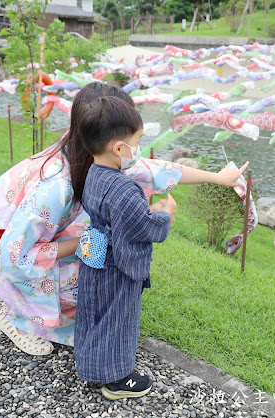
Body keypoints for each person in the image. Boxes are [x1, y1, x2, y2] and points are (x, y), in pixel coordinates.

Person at [0, 81, 248, 356]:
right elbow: (14, 255)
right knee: (98, 263)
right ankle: (20, 318)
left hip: (34, 239)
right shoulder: (55, 184)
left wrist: (218, 177)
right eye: (132, 138)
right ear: (113, 139)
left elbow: (154, 169)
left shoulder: (95, 149)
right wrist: (85, 242)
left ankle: (61, 307)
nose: (134, 148)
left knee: (102, 255)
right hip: (0, 257)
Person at [73, 96, 177, 400]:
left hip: (95, 253)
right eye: (138, 142)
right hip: (116, 264)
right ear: (119, 148)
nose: (138, 148)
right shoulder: (122, 186)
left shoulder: (95, 172)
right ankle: (118, 379)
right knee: (118, 317)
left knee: (94, 310)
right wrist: (163, 215)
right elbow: (139, 228)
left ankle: (90, 362)